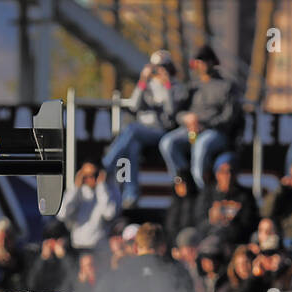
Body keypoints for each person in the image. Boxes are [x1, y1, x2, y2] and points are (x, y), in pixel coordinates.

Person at [103, 51, 184, 209]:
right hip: (143, 131)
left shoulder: (176, 87)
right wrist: (142, 81)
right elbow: (134, 105)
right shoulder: (148, 86)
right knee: (132, 148)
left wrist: (167, 86)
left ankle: (106, 164)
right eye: (156, 67)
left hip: (161, 131)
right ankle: (131, 194)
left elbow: (171, 113)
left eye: (162, 67)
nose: (158, 71)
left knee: (131, 129)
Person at [159, 44, 242, 190]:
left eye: (203, 61)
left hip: (216, 132)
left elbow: (229, 117)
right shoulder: (193, 87)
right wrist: (186, 118)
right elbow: (177, 113)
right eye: (197, 62)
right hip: (191, 129)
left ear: (212, 62)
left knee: (201, 145)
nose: (200, 65)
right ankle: (184, 181)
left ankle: (200, 188)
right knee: (167, 143)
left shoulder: (227, 86)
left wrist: (205, 125)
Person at [58, 162, 119, 255]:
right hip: (78, 247)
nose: (90, 178)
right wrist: (76, 187)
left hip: (99, 248)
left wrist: (101, 186)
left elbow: (109, 214)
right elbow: (61, 214)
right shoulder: (76, 193)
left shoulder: (106, 191)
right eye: (85, 175)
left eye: (94, 175)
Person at [201, 152, 258, 244]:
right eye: (223, 172)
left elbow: (249, 225)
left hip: (235, 242)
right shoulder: (207, 194)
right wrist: (211, 220)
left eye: (231, 171)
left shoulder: (245, 196)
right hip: (210, 242)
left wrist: (229, 224)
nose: (228, 176)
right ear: (217, 174)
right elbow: (199, 222)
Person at [27, 220, 74, 292]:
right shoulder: (36, 256)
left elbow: (73, 282)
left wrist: (63, 257)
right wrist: (43, 258)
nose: (53, 244)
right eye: (49, 239)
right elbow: (31, 285)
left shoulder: (73, 255)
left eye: (57, 239)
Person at [165, 169, 205, 240]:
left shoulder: (198, 200)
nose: (180, 187)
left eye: (183, 183)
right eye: (177, 184)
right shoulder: (174, 203)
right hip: (175, 240)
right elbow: (170, 226)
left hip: (193, 238)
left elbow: (199, 222)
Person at [0, 218, 28, 292]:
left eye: (6, 239)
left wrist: (13, 266)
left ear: (13, 239)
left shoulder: (25, 259)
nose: (3, 244)